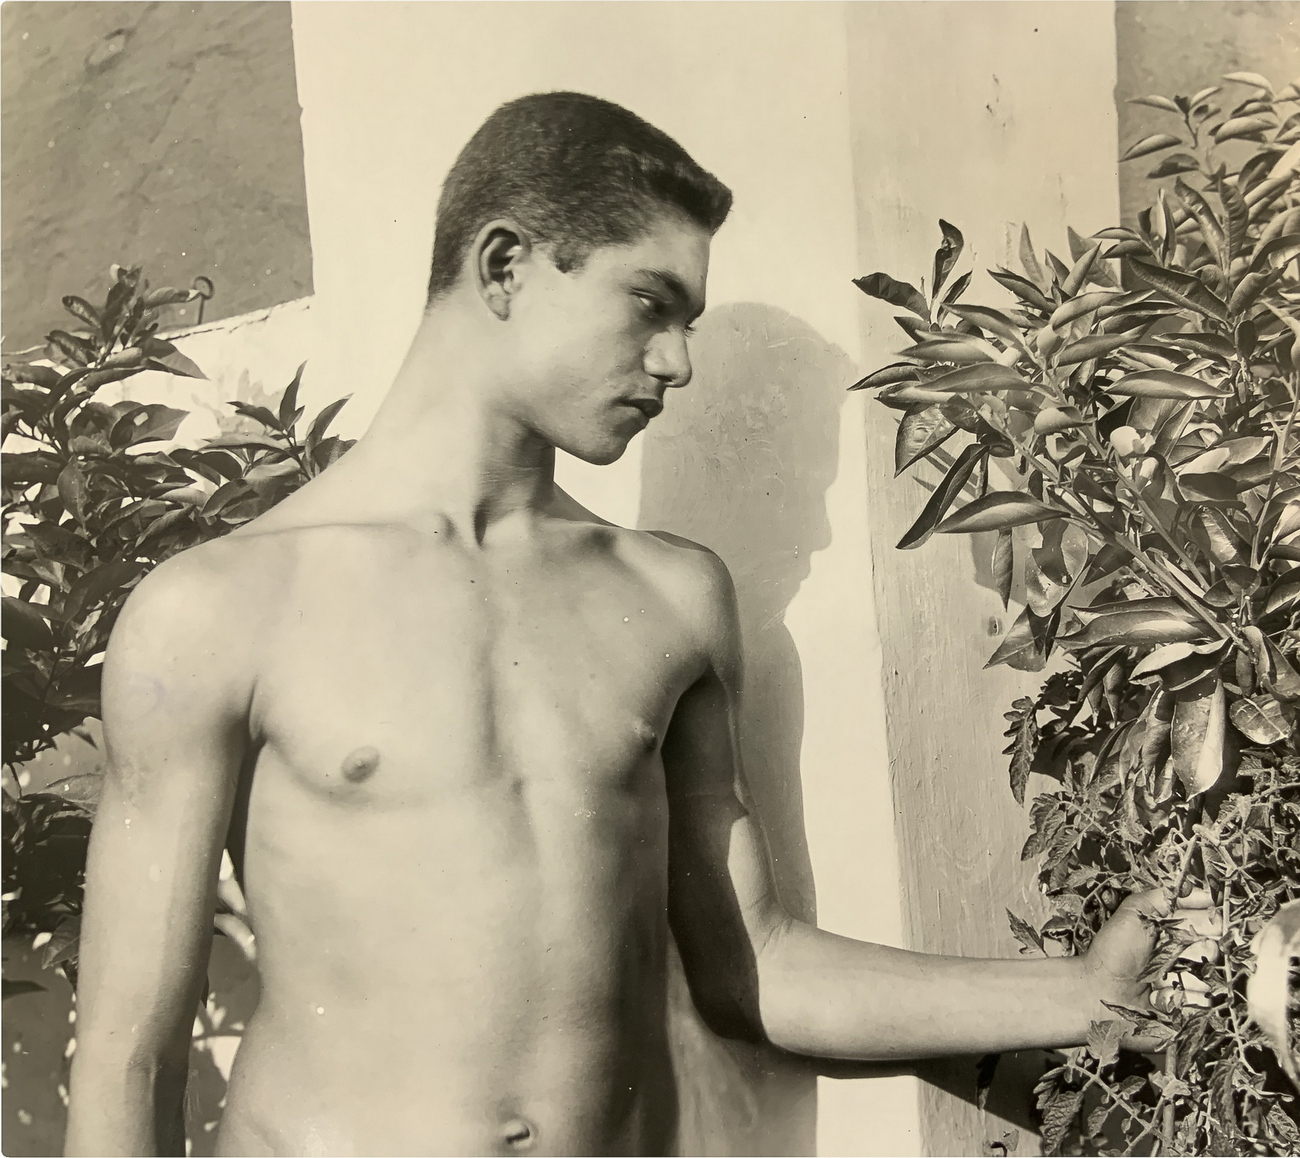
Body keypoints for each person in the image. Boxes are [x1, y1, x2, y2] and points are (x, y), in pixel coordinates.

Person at [65, 92, 1209, 1157]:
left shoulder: (669, 597)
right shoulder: (221, 607)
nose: (677, 363)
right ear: (504, 266)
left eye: (689, 321)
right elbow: (128, 1057)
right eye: (650, 305)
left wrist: (1084, 992)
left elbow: (756, 967)